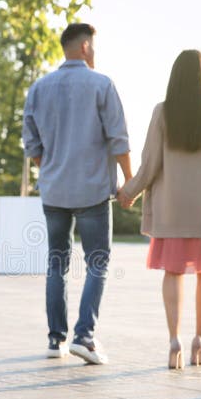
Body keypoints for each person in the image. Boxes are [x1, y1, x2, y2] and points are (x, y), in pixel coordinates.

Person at [117, 50, 201, 369]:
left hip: (172, 210)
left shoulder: (162, 112)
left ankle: (174, 341)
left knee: (173, 272)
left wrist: (128, 192)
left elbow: (150, 163)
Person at [22, 23, 133, 365]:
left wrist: (52, 169)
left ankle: (56, 341)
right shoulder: (102, 85)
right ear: (85, 46)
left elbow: (32, 144)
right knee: (97, 262)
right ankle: (85, 336)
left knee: (57, 262)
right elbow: (119, 138)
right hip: (94, 192)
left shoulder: (39, 88)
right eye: (94, 46)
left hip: (54, 191)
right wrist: (129, 182)